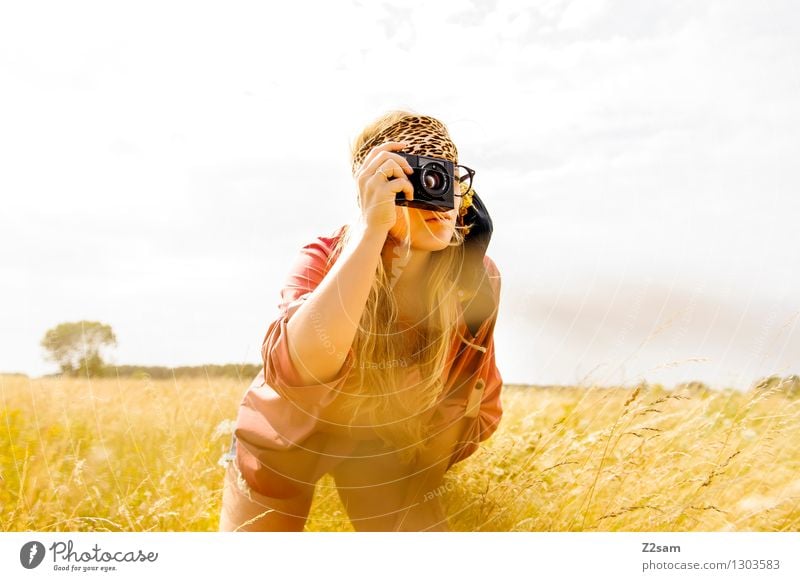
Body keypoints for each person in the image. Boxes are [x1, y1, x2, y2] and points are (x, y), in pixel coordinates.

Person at [218, 110, 503, 532]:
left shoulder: (476, 276)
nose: (439, 193)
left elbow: (468, 397)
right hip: (286, 438)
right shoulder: (324, 257)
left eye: (447, 175)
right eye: (420, 176)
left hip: (386, 445)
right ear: (374, 187)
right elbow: (297, 367)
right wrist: (372, 231)